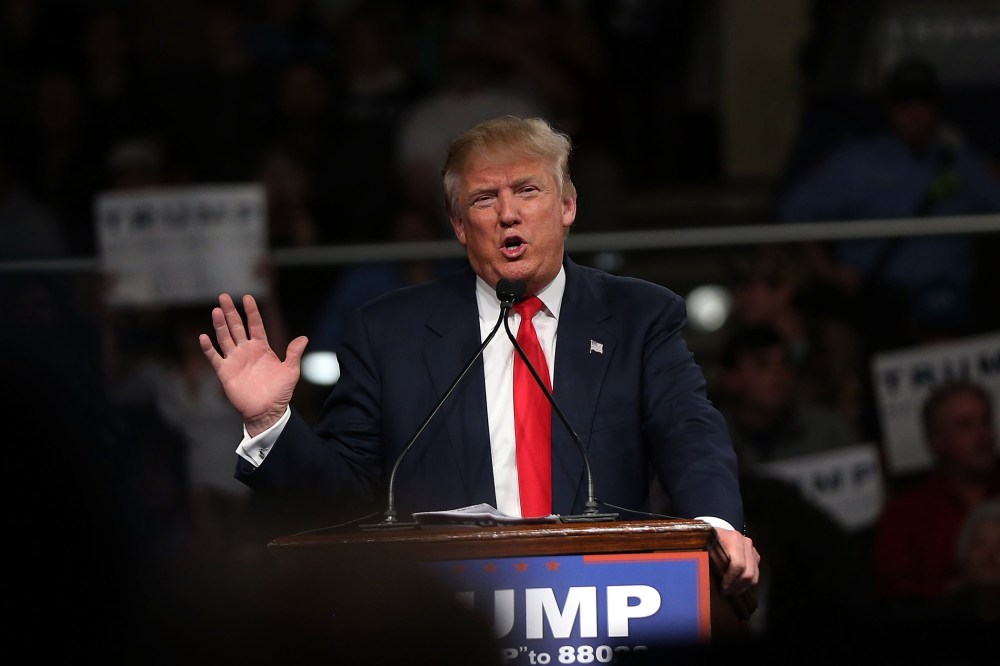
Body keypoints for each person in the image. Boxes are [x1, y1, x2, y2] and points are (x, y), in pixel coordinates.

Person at [199, 115, 759, 597]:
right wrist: (269, 422)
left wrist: (715, 525)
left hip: (602, 603)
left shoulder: (638, 315)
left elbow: (688, 430)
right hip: (447, 620)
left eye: (527, 190)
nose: (507, 214)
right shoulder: (389, 333)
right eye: (484, 199)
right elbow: (341, 498)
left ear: (568, 205)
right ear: (460, 226)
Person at [775, 57, 1000, 351]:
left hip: (950, 307)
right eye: (904, 103)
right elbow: (794, 212)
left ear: (938, 107)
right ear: (888, 109)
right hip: (879, 303)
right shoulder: (857, 161)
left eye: (923, 102)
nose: (915, 113)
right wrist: (829, 271)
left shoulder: (963, 161)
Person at [873, 380, 1000, 607]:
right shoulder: (905, 515)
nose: (983, 435)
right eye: (965, 425)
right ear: (936, 441)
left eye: (986, 421)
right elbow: (894, 597)